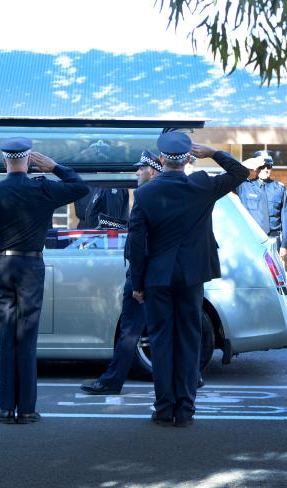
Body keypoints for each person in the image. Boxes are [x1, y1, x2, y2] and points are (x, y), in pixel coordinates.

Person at [128, 132, 248, 427]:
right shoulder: (203, 184)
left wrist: (137, 284)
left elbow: (135, 245)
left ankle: (164, 407)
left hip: (158, 277)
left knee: (161, 341)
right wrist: (213, 152)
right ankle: (185, 410)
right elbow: (240, 172)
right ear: (188, 159)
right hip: (193, 274)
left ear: (160, 160)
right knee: (189, 340)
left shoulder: (144, 194)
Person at [0, 138, 89, 424]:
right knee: (27, 338)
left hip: (1, 264)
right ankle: (26, 408)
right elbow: (81, 187)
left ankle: (4, 407)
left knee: (5, 338)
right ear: (29, 161)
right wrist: (55, 167)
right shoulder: (43, 187)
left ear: (4, 162)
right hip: (31, 266)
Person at [81, 150, 162, 395]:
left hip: (143, 273)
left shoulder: (146, 195)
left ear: (153, 170)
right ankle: (191, 375)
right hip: (156, 273)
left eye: (141, 168)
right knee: (160, 328)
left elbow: (141, 241)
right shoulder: (160, 194)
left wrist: (136, 282)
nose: (137, 172)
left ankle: (112, 381)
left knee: (130, 331)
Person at [236, 154, 287, 265]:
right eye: (262, 166)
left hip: (274, 240)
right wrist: (244, 165)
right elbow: (224, 178)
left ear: (271, 168)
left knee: (274, 275)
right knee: (252, 271)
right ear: (256, 168)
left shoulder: (279, 189)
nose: (265, 169)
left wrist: (284, 245)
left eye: (268, 166)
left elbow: (285, 218)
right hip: (252, 238)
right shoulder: (244, 186)